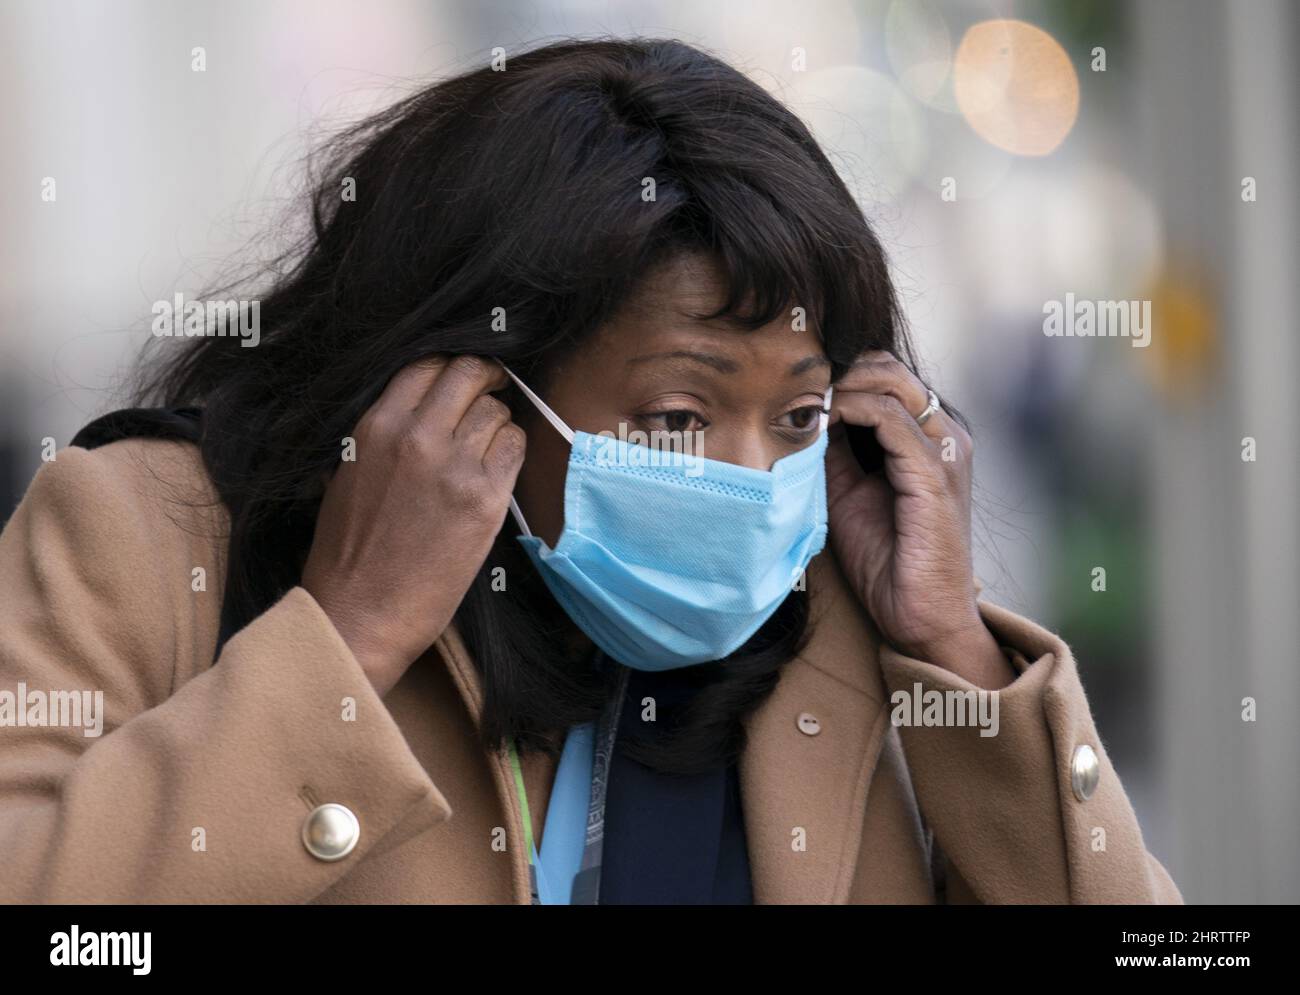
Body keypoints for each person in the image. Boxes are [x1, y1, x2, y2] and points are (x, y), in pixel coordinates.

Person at [0, 38, 1181, 904]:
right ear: (459, 387)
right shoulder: (151, 539)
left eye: (799, 413)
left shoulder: (844, 626)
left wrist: (962, 665)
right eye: (676, 414)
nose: (749, 478)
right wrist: (344, 637)